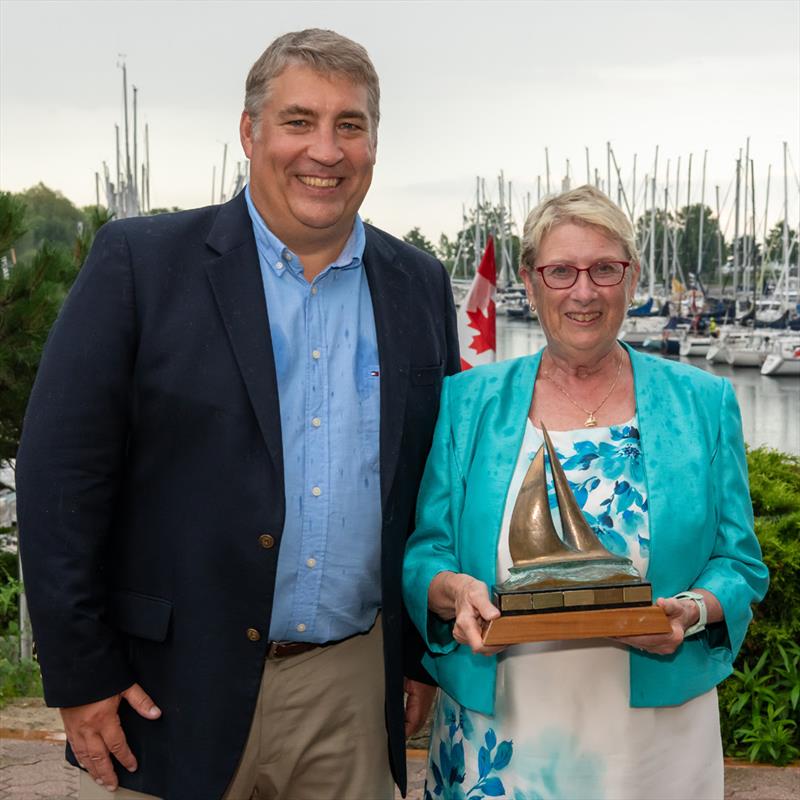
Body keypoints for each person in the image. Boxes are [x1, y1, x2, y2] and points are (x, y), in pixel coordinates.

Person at [17, 29, 459, 800]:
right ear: (250, 132)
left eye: (349, 125)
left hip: (353, 687)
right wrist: (82, 676)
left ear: (373, 145)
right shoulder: (139, 265)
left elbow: (433, 490)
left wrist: (419, 656)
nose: (326, 149)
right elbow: (60, 482)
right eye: (299, 121)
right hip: (172, 688)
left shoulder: (418, 283)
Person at [403, 185, 768, 799]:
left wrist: (694, 609)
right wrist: (452, 592)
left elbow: (739, 562)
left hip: (654, 740)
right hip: (499, 731)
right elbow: (426, 553)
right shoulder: (468, 402)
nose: (583, 290)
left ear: (631, 277)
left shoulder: (704, 402)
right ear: (531, 279)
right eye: (560, 270)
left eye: (605, 269)